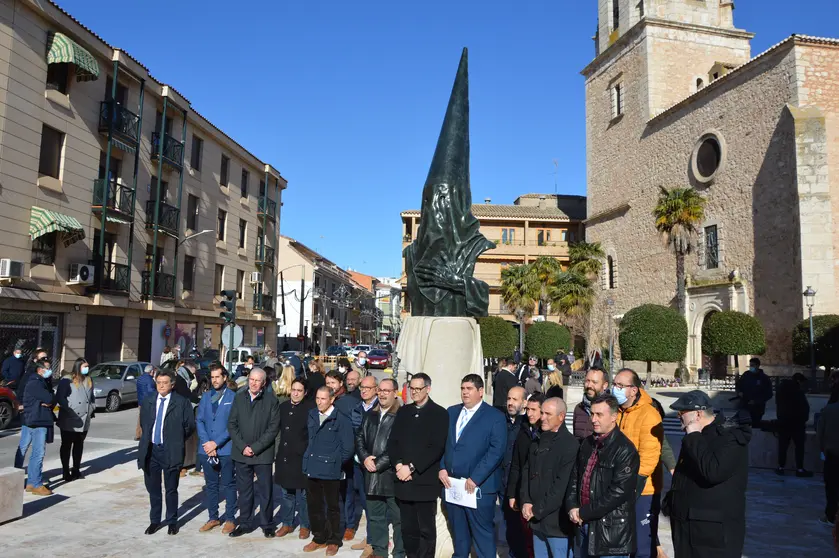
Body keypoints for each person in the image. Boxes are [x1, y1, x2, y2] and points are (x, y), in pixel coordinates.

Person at [668, 390, 750, 558]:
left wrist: (694, 436)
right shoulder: (694, 436)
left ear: (697, 414)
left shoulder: (729, 437)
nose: (678, 417)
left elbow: (713, 472)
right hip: (687, 528)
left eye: (681, 413)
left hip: (711, 534)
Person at [439, 374, 507, 558]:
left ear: (480, 391)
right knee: (459, 536)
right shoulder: (452, 412)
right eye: (462, 389)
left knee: (482, 536)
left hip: (479, 488)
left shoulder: (495, 417)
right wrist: (442, 467)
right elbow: (443, 444)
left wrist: (476, 477)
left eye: (469, 389)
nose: (465, 392)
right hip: (453, 486)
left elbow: (496, 451)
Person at [566, 394, 640, 558]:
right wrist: (572, 506)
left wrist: (583, 512)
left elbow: (618, 492)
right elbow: (575, 478)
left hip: (610, 533)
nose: (593, 419)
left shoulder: (625, 449)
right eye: (592, 414)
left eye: (599, 414)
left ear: (614, 417)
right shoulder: (587, 443)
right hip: (583, 524)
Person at [388, 373, 449, 558]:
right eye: (411, 388)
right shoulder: (404, 411)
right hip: (403, 480)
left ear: (428, 389)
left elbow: (436, 447)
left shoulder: (439, 413)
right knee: (408, 528)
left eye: (418, 389)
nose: (413, 392)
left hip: (424, 482)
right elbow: (393, 442)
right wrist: (399, 465)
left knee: (426, 529)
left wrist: (412, 467)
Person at [137, 369, 195, 534]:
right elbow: (144, 424)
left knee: (171, 489)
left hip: (171, 450)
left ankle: (172, 521)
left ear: (172, 384)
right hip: (151, 450)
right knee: (153, 489)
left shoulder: (181, 402)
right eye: (158, 382)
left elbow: (189, 426)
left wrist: (176, 439)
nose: (161, 386)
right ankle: (155, 521)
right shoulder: (149, 401)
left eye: (165, 383)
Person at [612, 368, 663, 558]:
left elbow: (649, 456)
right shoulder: (616, 411)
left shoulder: (649, 414)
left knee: (642, 546)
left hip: (643, 489)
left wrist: (634, 482)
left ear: (633, 390)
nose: (615, 388)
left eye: (620, 385)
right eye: (614, 384)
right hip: (618, 485)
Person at [521, 398, 578, 558]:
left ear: (561, 416)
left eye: (548, 414)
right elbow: (527, 472)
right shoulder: (537, 439)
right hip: (536, 521)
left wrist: (537, 510)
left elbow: (560, 487)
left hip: (556, 524)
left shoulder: (570, 445)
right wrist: (526, 500)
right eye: (542, 413)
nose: (542, 417)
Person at [228, 367, 281, 538]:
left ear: (264, 383)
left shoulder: (271, 400)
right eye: (251, 379)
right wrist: (243, 446)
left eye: (258, 380)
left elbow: (273, 429)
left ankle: (267, 524)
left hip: (262, 454)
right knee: (244, 491)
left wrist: (256, 447)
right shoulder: (239, 398)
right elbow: (232, 424)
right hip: (241, 453)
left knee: (265, 491)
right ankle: (245, 523)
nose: (253, 383)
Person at [356, 378, 405, 558]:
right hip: (371, 476)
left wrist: (377, 464)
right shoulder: (371, 415)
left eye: (387, 390)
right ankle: (379, 551)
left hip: (391, 476)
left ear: (395, 392)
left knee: (399, 519)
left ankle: (399, 552)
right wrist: (364, 458)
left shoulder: (401, 416)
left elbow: (397, 445)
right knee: (376, 518)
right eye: (381, 390)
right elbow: (359, 437)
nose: (382, 394)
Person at [303, 386, 355, 556]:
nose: (319, 402)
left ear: (332, 400)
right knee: (314, 506)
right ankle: (319, 537)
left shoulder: (341, 419)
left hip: (331, 469)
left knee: (333, 507)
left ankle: (334, 540)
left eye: (323, 399)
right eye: (317, 398)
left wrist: (335, 462)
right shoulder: (312, 414)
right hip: (312, 467)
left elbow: (348, 448)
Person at [195, 363, 237, 534]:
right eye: (212, 377)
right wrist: (207, 443)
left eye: (217, 377)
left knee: (228, 484)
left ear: (225, 377)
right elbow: (200, 421)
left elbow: (233, 425)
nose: (214, 380)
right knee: (211, 485)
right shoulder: (205, 397)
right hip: (207, 449)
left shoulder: (233, 397)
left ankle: (230, 519)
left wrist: (216, 443)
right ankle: (213, 517)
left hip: (225, 449)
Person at [275, 378, 316, 539]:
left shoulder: (310, 408)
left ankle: (305, 525)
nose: (296, 393)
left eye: (299, 390)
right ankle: (287, 523)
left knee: (305, 494)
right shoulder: (283, 406)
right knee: (287, 493)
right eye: (294, 390)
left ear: (305, 392)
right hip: (285, 456)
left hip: (303, 457)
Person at [325, 369, 362, 540]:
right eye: (327, 383)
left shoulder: (349, 402)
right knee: (331, 492)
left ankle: (350, 525)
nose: (329, 386)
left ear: (341, 384)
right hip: (329, 454)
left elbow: (356, 427)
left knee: (347, 492)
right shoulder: (324, 401)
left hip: (346, 454)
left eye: (333, 382)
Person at [507, 393, 544, 558]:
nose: (530, 414)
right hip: (522, 492)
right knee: (522, 538)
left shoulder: (546, 434)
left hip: (540, 496)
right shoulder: (523, 431)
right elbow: (515, 465)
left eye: (534, 410)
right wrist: (512, 493)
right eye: (528, 409)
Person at [349, 375, 380, 553]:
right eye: (362, 387)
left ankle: (374, 541)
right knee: (363, 500)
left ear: (376, 389)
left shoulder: (380, 408)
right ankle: (369, 537)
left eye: (368, 387)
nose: (364, 390)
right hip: (358, 462)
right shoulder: (356, 408)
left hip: (373, 462)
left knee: (373, 503)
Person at [56, 358, 95, 482]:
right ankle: (65, 471)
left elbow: (91, 397)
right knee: (67, 445)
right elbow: (60, 397)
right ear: (78, 367)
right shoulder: (67, 380)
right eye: (84, 366)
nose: (86, 368)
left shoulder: (88, 379)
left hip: (84, 418)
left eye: (87, 366)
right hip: (70, 417)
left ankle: (76, 469)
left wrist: (92, 408)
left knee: (79, 445)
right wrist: (69, 409)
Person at [22, 359, 56, 496]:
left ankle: (31, 482)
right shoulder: (35, 383)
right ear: (40, 369)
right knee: (38, 453)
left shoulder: (40, 382)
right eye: (47, 368)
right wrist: (50, 399)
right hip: (38, 421)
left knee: (36, 453)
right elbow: (50, 398)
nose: (49, 371)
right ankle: (36, 484)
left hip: (38, 419)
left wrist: (50, 398)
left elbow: (49, 398)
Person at [501, 386, 528, 558]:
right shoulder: (500, 421)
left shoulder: (527, 425)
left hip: (521, 487)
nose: (510, 403)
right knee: (510, 528)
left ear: (524, 402)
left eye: (515, 399)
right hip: (502, 485)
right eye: (509, 399)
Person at [14, 353, 49, 471]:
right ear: (36, 360)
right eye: (42, 358)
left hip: (39, 414)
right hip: (29, 414)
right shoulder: (30, 376)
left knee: (37, 449)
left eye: (46, 357)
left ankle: (33, 476)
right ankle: (17, 470)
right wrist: (23, 405)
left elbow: (50, 396)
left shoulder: (44, 378)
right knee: (24, 445)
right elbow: (21, 392)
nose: (45, 359)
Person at [775, 372, 813, 477]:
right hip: (798, 424)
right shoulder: (798, 392)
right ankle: (799, 469)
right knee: (799, 447)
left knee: (783, 446)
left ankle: (780, 467)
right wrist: (803, 419)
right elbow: (805, 408)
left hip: (783, 423)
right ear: (799, 381)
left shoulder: (781, 390)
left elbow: (778, 406)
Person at [734, 357, 773, 427]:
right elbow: (738, 386)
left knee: (755, 427)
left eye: (753, 365)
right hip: (745, 406)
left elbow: (769, 394)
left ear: (758, 366)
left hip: (757, 409)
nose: (751, 367)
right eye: (750, 365)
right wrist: (739, 392)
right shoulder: (746, 375)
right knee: (743, 426)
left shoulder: (764, 378)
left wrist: (756, 401)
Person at [573, 368, 609, 441]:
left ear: (605, 385)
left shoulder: (611, 409)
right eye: (587, 381)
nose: (589, 385)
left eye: (594, 382)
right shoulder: (579, 408)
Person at [819, 395, 839, 525]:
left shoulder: (829, 410)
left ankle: (831, 515)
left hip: (832, 453)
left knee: (831, 486)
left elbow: (820, 431)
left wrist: (822, 449)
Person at [136, 365, 157, 441]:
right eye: (153, 372)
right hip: (148, 403)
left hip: (141, 402)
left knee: (140, 418)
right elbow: (151, 391)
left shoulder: (140, 378)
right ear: (151, 371)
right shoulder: (150, 380)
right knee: (148, 419)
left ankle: (138, 434)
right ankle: (146, 435)